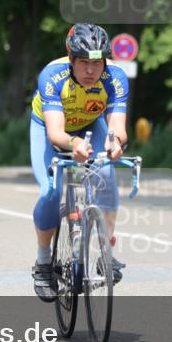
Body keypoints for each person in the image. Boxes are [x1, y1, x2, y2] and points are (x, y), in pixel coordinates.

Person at [30, 23, 130, 301]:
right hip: (51, 128)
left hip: (89, 124)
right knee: (50, 191)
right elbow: (55, 133)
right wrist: (74, 144)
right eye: (83, 63)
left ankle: (105, 252)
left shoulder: (116, 77)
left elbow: (117, 127)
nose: (90, 71)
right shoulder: (52, 76)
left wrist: (115, 143)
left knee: (107, 174)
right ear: (71, 60)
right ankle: (43, 263)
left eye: (96, 63)